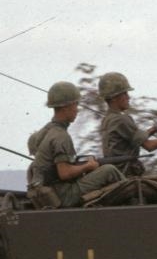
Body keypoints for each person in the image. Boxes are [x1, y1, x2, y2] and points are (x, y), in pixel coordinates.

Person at [27, 80, 122, 208]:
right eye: (75, 105)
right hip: (64, 195)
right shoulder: (61, 136)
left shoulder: (45, 131)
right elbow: (64, 173)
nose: (77, 110)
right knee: (109, 170)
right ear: (66, 107)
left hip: (49, 193)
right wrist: (88, 166)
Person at [95, 71, 157, 176]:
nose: (128, 97)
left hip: (117, 174)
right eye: (124, 93)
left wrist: (154, 128)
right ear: (113, 97)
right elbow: (149, 146)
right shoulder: (120, 119)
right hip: (127, 176)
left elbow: (136, 138)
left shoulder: (108, 119)